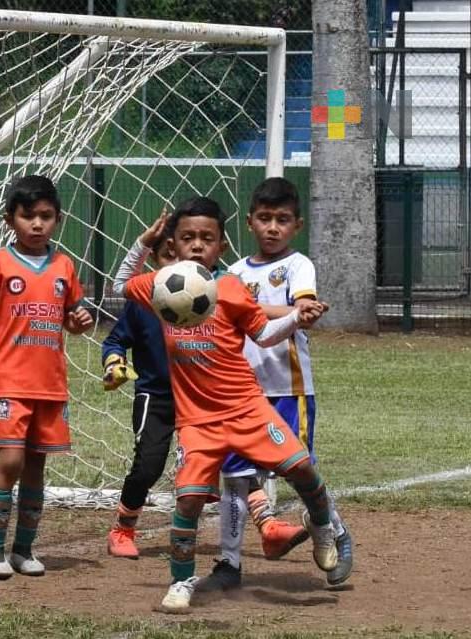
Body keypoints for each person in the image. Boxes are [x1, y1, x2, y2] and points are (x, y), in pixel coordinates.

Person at [112, 195, 337, 612]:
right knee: (189, 501)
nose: (197, 245)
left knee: (302, 467)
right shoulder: (160, 285)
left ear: (222, 246)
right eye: (188, 237)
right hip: (198, 422)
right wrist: (143, 243)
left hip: (247, 409)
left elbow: (264, 335)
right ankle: (181, 582)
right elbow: (117, 286)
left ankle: (322, 527)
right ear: (174, 244)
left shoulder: (230, 289)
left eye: (207, 238)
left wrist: (294, 320)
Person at [0, 175, 94, 579]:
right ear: (11, 219)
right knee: (10, 460)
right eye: (28, 216)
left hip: (51, 386)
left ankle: (23, 550)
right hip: (10, 381)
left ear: (57, 219)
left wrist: (81, 320)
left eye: (46, 216)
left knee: (36, 468)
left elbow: (74, 321)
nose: (37, 224)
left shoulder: (64, 265)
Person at [209, 177, 352, 589]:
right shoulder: (232, 272)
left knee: (300, 470)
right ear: (250, 222)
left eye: (283, 220)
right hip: (240, 394)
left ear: (297, 225)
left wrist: (263, 309)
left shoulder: (297, 265)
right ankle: (229, 565)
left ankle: (336, 532)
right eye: (266, 218)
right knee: (235, 477)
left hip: (289, 390)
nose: (273, 227)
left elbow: (303, 305)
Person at [102, 233, 176, 559]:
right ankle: (123, 528)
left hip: (200, 398)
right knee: (148, 468)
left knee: (226, 462)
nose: (174, 261)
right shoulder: (143, 301)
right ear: (155, 260)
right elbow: (114, 340)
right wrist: (114, 361)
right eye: (166, 254)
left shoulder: (210, 295)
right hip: (155, 397)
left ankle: (263, 521)